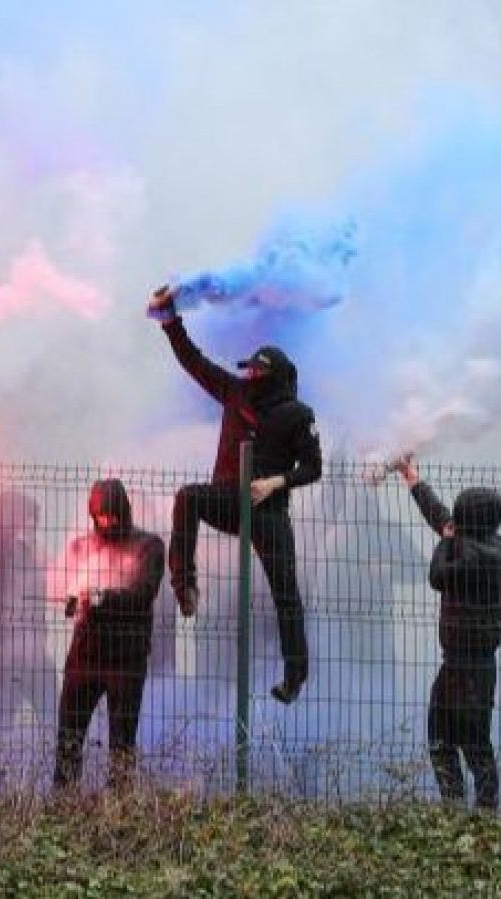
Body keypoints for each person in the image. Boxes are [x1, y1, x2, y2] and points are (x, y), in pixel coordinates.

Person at [147, 284, 322, 703]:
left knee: (286, 594)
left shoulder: (298, 415)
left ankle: (294, 678)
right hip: (227, 501)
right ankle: (185, 586)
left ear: (274, 378)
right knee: (189, 497)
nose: (248, 377)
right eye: (246, 371)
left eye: (256, 373)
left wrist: (277, 482)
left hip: (268, 513)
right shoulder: (234, 393)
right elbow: (195, 361)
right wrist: (169, 320)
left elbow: (313, 468)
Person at [394, 456, 501, 809]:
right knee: (456, 736)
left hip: (466, 665)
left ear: (467, 521)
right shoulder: (492, 542)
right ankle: (465, 807)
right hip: (467, 663)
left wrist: (444, 540)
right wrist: (413, 479)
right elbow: (443, 519)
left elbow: (437, 577)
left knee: (461, 741)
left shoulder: (473, 556)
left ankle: (471, 808)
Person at [51, 479, 166, 791]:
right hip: (85, 656)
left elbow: (144, 593)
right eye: (101, 516)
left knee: (121, 747)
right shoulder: (81, 547)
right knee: (68, 740)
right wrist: (72, 599)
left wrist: (103, 596)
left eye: (113, 515)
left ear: (125, 511)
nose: (108, 522)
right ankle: (62, 808)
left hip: (126, 660)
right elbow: (63, 592)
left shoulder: (149, 546)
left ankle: (119, 814)